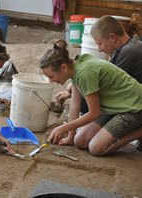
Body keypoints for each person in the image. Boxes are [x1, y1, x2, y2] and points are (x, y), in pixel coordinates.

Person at [40, 39, 142, 156]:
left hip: (134, 107)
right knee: (80, 141)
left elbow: (94, 113)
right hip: (115, 107)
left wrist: (64, 128)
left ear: (63, 68)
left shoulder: (84, 73)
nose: (51, 81)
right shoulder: (74, 67)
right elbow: (75, 105)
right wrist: (70, 136)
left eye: (51, 76)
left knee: (96, 148)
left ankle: (139, 132)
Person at [54, 15, 142, 145]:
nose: (99, 49)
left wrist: (71, 91)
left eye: (100, 44)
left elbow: (102, 83)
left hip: (133, 105)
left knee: (87, 102)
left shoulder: (129, 52)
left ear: (112, 37)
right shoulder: (125, 47)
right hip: (121, 100)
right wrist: (70, 91)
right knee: (81, 138)